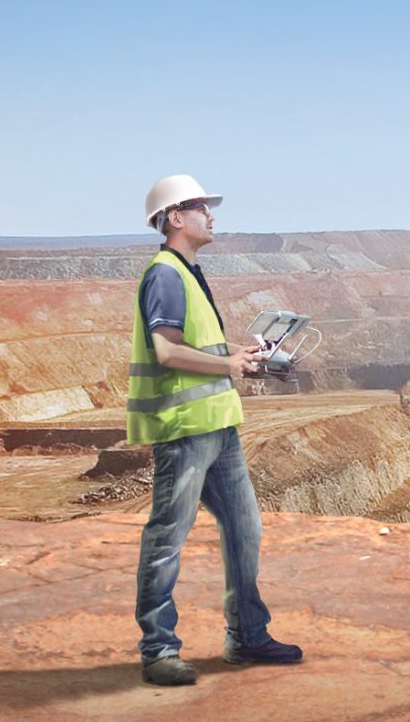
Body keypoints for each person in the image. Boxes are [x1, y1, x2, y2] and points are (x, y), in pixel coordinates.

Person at [129, 173, 302, 687]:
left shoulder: (187, 271)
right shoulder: (165, 275)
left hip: (218, 425)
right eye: (201, 207)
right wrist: (228, 366)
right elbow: (167, 350)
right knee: (167, 537)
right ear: (175, 218)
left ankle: (247, 636)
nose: (211, 216)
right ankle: (158, 651)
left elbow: (198, 346)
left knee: (245, 529)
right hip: (185, 429)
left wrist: (239, 355)